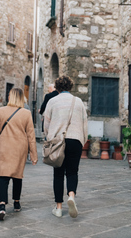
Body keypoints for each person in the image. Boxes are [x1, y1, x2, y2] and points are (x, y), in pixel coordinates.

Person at [0, 88, 38, 221]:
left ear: (10, 97)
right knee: (17, 174)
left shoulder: (2, 111)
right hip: (20, 147)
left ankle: (2, 205)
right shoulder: (26, 113)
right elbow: (31, 135)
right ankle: (17, 202)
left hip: (4, 146)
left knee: (3, 176)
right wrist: (33, 154)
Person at [44, 76, 87, 218]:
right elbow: (84, 123)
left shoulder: (52, 101)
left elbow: (47, 124)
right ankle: (71, 196)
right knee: (72, 172)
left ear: (57, 87)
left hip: (58, 141)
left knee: (58, 174)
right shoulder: (79, 102)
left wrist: (49, 138)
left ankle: (58, 208)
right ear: (70, 87)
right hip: (75, 140)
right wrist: (82, 140)